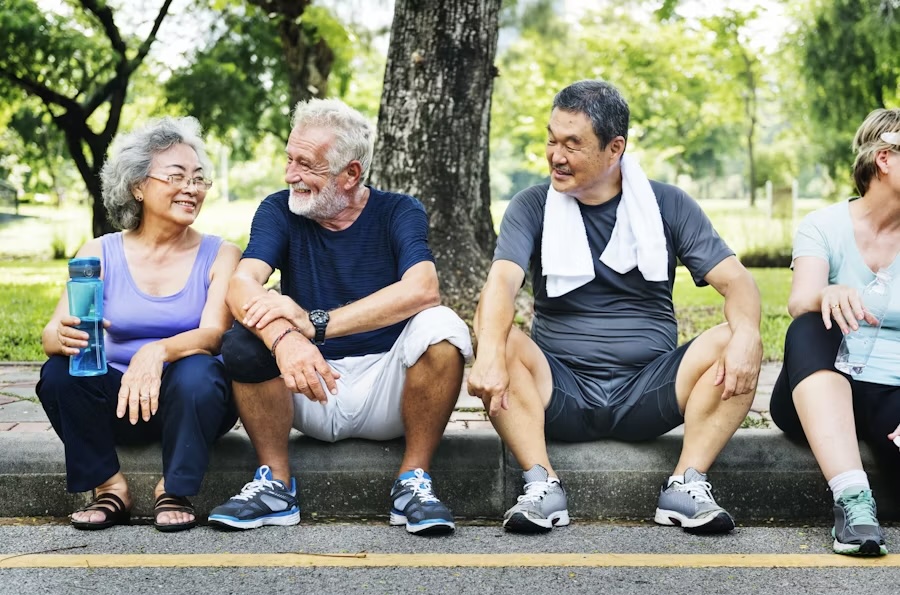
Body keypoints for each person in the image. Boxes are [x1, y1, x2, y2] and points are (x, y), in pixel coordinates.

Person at [467, 80, 762, 534]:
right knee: (496, 332)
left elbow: (738, 283)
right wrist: (488, 351)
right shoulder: (532, 205)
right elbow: (502, 281)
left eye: (572, 144)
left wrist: (746, 335)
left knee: (739, 337)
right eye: (550, 139)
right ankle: (540, 485)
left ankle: (687, 484)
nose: (555, 156)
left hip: (649, 390)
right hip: (559, 389)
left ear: (614, 148)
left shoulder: (667, 204)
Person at [206, 98, 472, 535]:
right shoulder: (279, 209)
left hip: (387, 388)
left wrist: (315, 323)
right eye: (290, 159)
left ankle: (413, 482)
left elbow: (423, 288)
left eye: (307, 165)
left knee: (443, 326)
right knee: (243, 338)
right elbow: (242, 285)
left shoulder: (399, 210)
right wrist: (286, 340)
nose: (291, 174)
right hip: (306, 385)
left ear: (351, 174)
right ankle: (275, 484)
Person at [36, 117, 241, 532]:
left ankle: (174, 488)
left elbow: (214, 334)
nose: (192, 188)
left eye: (199, 179)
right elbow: (49, 335)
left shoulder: (222, 253)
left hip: (190, 406)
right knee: (58, 373)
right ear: (138, 186)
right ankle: (109, 487)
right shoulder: (100, 251)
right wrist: (63, 336)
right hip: (116, 403)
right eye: (177, 176)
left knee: (200, 370)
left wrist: (158, 350)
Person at [770, 108, 900, 557]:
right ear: (885, 159)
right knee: (809, 322)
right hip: (820, 385)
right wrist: (828, 292)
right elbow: (799, 298)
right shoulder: (824, 225)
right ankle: (852, 500)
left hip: (892, 398)